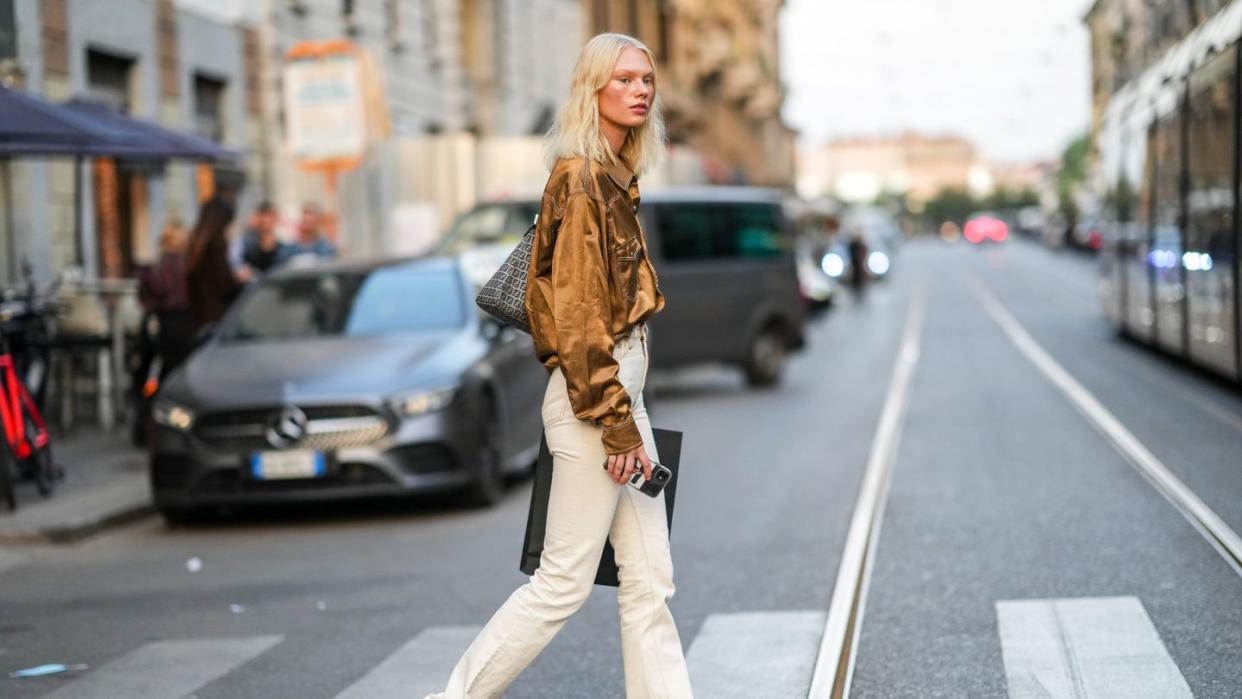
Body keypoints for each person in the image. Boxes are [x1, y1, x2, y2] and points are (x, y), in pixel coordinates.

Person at [426, 33, 691, 699]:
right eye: (624, 79)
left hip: (617, 394)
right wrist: (618, 426)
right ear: (592, 90)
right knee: (562, 582)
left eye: (646, 79)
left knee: (649, 576)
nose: (640, 90)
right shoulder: (579, 181)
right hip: (593, 401)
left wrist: (626, 414)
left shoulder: (613, 180)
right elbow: (577, 321)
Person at [136, 217, 193, 375]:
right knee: (176, 365)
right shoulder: (179, 262)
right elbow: (165, 289)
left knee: (164, 364)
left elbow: (149, 291)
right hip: (177, 318)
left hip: (165, 318)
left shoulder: (159, 262)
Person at [185, 197, 250, 335]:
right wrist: (242, 281)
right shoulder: (216, 245)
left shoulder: (194, 244)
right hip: (217, 320)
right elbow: (226, 285)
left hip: (197, 319)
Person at [241, 200, 288, 274]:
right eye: (263, 215)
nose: (266, 220)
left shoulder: (284, 250)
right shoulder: (247, 247)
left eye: (269, 215)